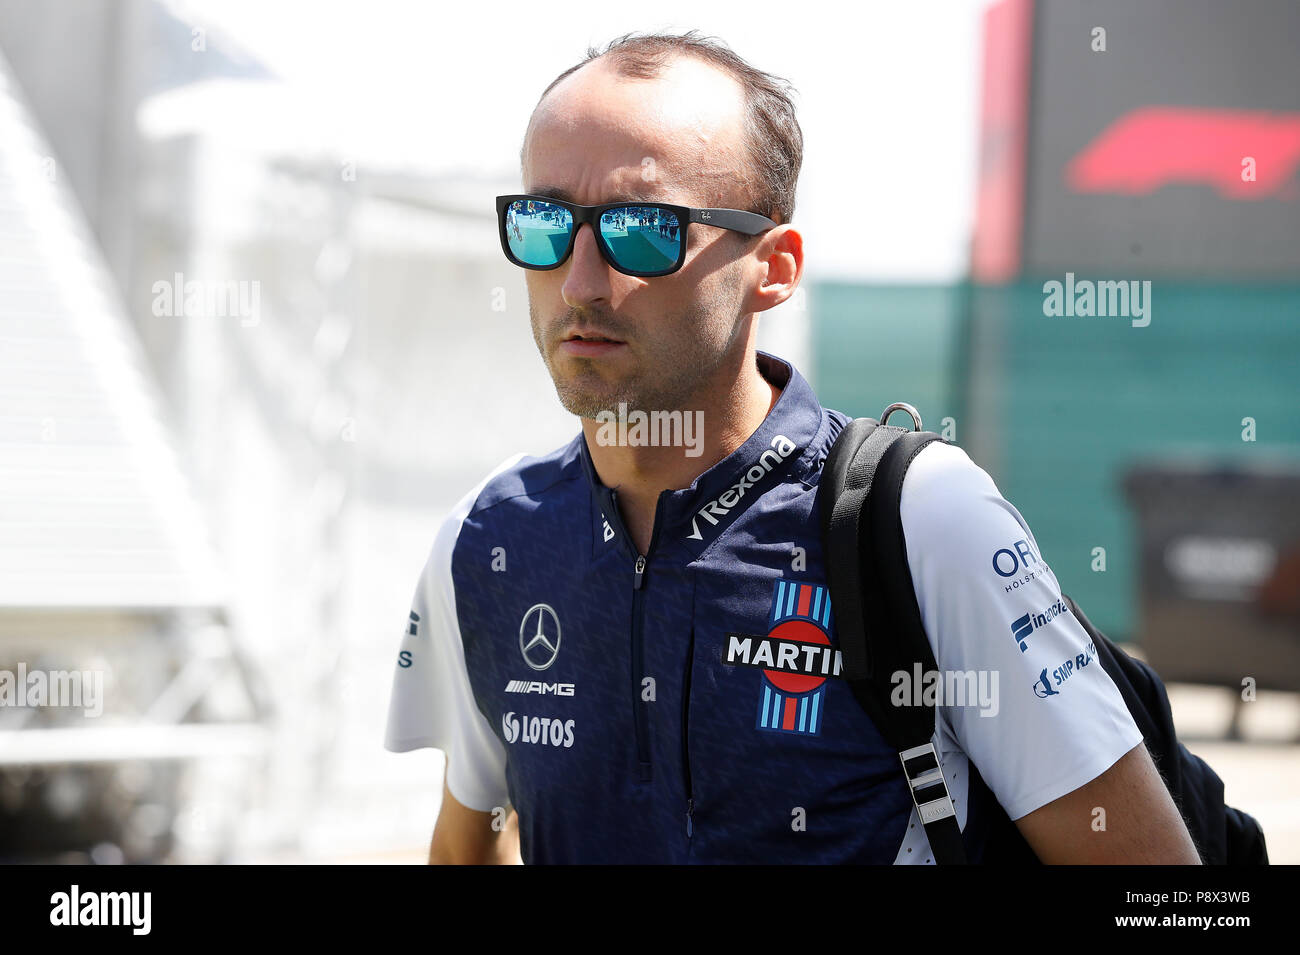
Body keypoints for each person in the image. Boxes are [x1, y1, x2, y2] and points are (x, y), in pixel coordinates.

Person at [384, 30, 1202, 865]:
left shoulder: (921, 518)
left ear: (773, 267)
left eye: (640, 229)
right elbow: (466, 847)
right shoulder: (487, 540)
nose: (583, 281)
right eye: (546, 222)